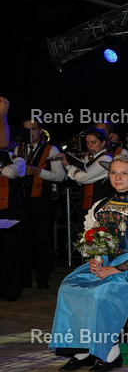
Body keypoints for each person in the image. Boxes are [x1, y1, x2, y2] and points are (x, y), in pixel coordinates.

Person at [50, 154, 128, 372]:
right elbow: (91, 239)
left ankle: (111, 353)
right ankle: (82, 351)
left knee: (100, 292)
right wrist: (94, 261)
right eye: (113, 172)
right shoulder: (99, 206)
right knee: (70, 288)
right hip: (105, 265)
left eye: (124, 173)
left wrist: (115, 269)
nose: (118, 177)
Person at [18, 117, 65, 290]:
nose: (31, 132)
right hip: (22, 202)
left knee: (43, 242)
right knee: (23, 242)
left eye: (34, 128)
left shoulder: (51, 149)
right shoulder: (17, 149)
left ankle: (43, 280)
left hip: (42, 202)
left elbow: (60, 176)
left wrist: (39, 171)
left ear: (41, 130)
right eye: (27, 129)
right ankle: (24, 280)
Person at [0, 97, 27, 301]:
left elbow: (8, 173)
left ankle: (12, 291)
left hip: (11, 213)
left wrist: (3, 115)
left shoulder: (18, 160)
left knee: (11, 254)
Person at [65, 128, 114, 212]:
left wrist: (69, 166)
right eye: (87, 142)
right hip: (89, 203)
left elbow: (82, 178)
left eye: (93, 142)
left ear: (103, 143)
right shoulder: (93, 158)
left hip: (99, 204)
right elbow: (80, 181)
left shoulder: (105, 159)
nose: (89, 146)